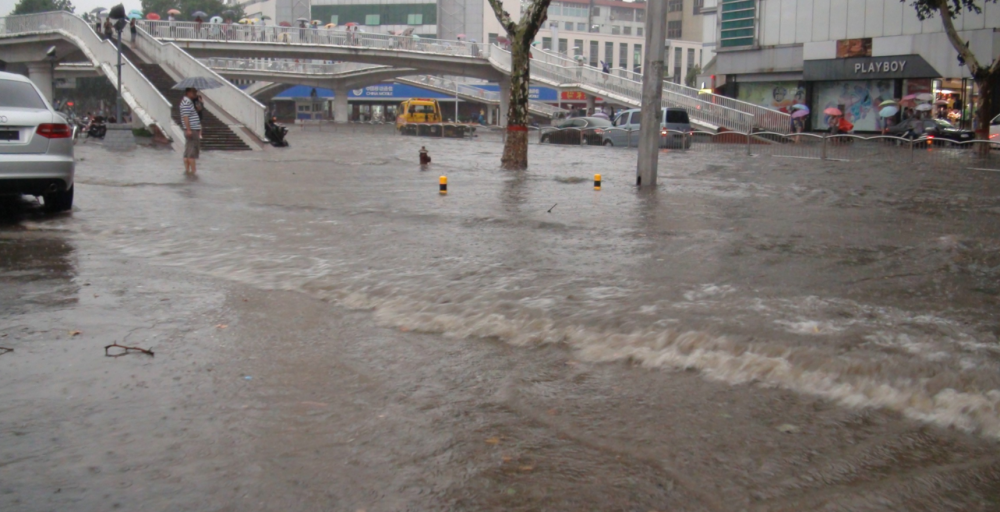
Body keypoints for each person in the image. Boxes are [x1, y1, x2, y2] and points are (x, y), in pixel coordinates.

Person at [180, 87, 201, 174]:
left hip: (192, 129)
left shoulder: (188, 102)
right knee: (192, 151)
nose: (195, 94)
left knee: (188, 151)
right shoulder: (186, 103)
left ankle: (187, 171)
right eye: (193, 92)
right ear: (188, 92)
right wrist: (189, 130)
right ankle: (193, 172)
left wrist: (198, 106)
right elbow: (186, 117)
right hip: (192, 129)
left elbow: (190, 113)